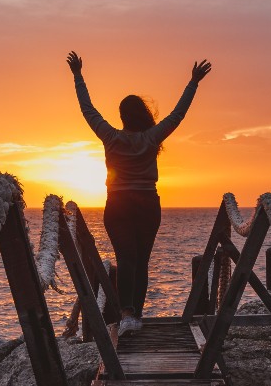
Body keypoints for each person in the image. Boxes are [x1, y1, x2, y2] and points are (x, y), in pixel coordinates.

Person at [67, 51, 212, 335]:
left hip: (118, 204)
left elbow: (88, 109)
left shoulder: (111, 137)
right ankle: (136, 315)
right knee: (141, 261)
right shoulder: (151, 137)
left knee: (126, 260)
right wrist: (193, 82)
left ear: (121, 116)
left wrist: (78, 75)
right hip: (147, 203)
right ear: (142, 114)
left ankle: (127, 314)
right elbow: (178, 115)